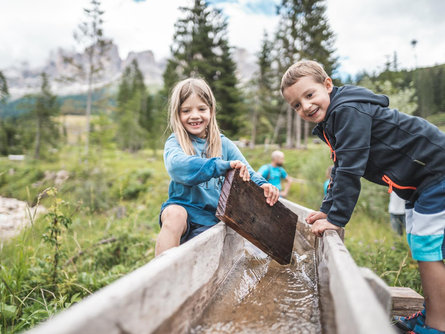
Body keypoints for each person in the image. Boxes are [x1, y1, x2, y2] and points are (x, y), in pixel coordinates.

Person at [280, 60, 445, 334]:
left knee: (427, 247)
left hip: (435, 171)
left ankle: (438, 326)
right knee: (421, 246)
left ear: (328, 85)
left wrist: (336, 218)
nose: (305, 106)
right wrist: (326, 209)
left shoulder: (347, 110)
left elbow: (351, 167)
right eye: (296, 105)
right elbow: (339, 165)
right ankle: (434, 311)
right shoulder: (332, 120)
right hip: (418, 182)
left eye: (309, 95)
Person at [156, 78, 279, 256]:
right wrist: (220, 166)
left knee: (212, 248)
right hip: (184, 211)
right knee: (174, 215)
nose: (195, 115)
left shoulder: (224, 144)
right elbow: (177, 167)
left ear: (211, 110)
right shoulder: (176, 142)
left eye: (201, 109)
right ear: (177, 113)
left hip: (212, 218)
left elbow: (247, 172)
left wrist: (262, 185)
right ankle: (161, 276)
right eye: (186, 110)